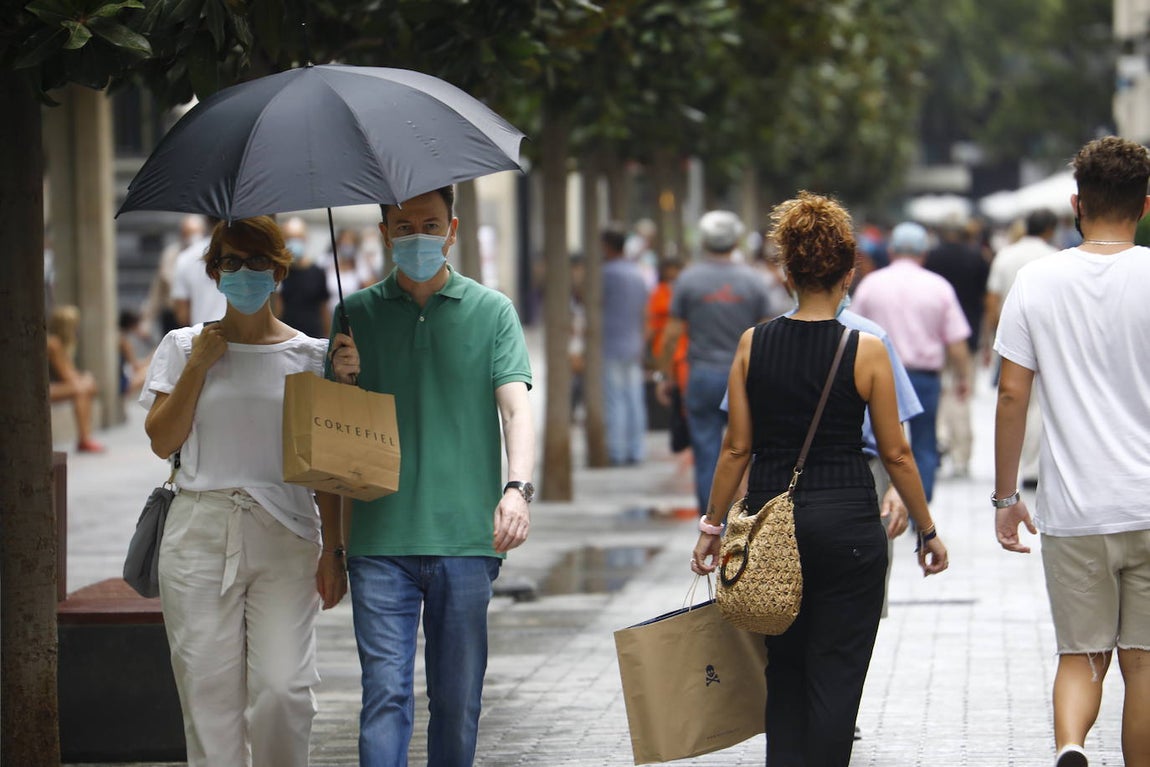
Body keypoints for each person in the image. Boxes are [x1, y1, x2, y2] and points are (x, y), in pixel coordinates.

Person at [691, 192, 948, 766]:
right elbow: (898, 454)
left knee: (784, 671)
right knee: (837, 676)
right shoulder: (867, 350)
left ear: (785, 272)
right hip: (849, 527)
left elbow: (736, 447)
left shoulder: (752, 344)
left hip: (770, 527)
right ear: (849, 271)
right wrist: (926, 531)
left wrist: (712, 526)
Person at [326, 186, 534, 767]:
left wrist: (516, 489)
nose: (417, 235)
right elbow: (331, 439)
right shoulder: (354, 313)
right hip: (379, 541)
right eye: (403, 225)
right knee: (384, 695)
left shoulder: (493, 311)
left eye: (429, 223)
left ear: (453, 229)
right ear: (384, 232)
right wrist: (342, 381)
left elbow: (516, 409)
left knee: (457, 700)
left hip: (467, 539)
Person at [140, 216, 348, 767]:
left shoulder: (312, 355)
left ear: (280, 271)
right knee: (208, 701)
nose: (246, 273)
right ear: (213, 271)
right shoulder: (184, 346)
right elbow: (162, 440)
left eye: (259, 262)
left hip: (287, 535)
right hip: (199, 534)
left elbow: (326, 466)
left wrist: (335, 549)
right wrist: (200, 369)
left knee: (284, 691)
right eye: (232, 261)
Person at [993, 136, 1150, 767]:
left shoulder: (1036, 280)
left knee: (1081, 656)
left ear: (1075, 203)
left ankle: (1070, 744)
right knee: (1143, 664)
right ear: (1144, 203)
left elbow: (1011, 395)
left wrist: (1007, 498)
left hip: (1074, 507)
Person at [656, 210, 773, 516]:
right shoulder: (753, 280)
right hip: (747, 377)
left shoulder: (688, 280)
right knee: (749, 448)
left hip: (702, 375)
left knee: (707, 451)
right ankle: (748, 514)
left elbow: (671, 335)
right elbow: (767, 331)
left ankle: (712, 520)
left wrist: (665, 376)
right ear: (736, 239)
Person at [851, 221, 972, 502]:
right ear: (923, 253)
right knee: (924, 444)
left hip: (877, 378)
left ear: (891, 251)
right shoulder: (938, 286)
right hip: (924, 378)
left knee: (879, 441)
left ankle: (884, 503)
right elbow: (956, 341)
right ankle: (920, 509)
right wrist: (963, 377)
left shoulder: (871, 284)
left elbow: (851, 330)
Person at [984, 209, 1058, 490]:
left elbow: (992, 299)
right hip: (1046, 337)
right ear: (1049, 229)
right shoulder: (1053, 255)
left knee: (1014, 397)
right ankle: (1032, 466)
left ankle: (1017, 467)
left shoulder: (1005, 255)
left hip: (1010, 337)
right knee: (1039, 403)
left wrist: (992, 335)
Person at [924, 216, 989, 478]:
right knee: (962, 394)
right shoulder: (976, 257)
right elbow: (985, 299)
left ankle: (940, 439)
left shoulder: (931, 257)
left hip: (936, 337)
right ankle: (961, 454)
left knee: (939, 392)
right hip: (968, 335)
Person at [601, 226, 651, 465]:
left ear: (608, 246)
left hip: (610, 343)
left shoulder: (606, 274)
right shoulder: (636, 273)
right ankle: (636, 449)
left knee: (615, 399)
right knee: (634, 398)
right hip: (633, 342)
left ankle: (618, 451)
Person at [47, 305, 104, 453]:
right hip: (46, 388)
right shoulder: (54, 344)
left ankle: (85, 437)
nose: (77, 330)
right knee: (81, 389)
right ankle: (84, 439)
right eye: (75, 326)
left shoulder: (63, 344)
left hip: (54, 387)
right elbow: (67, 376)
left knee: (84, 386)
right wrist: (85, 379)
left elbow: (70, 374)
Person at [647, 256, 690, 455]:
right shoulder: (660, 293)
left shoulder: (681, 293)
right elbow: (654, 328)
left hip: (682, 358)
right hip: (671, 357)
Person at [142, 214, 206, 340]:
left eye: (194, 234)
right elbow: (157, 290)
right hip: (172, 315)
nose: (190, 238)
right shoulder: (171, 255)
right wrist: (147, 320)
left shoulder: (206, 255)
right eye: (186, 234)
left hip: (198, 314)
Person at [274, 216, 331, 339]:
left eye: (298, 237)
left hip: (313, 336)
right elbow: (276, 309)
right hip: (286, 338)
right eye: (290, 237)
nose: (294, 241)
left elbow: (324, 308)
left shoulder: (318, 272)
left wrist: (328, 337)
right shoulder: (279, 272)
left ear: (305, 239)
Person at [171, 216, 226, 327]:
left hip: (201, 335)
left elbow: (182, 315)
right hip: (242, 336)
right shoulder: (244, 254)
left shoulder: (186, 257)